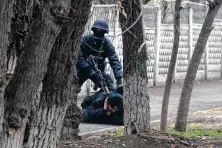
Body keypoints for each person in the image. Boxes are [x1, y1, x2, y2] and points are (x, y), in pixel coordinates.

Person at [76, 20, 123, 94]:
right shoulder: (85, 39)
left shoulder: (107, 44)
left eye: (101, 32)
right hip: (82, 70)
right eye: (96, 31)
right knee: (72, 87)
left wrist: (119, 79)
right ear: (93, 30)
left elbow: (114, 60)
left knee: (110, 88)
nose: (98, 34)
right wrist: (89, 69)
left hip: (97, 71)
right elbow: (78, 57)